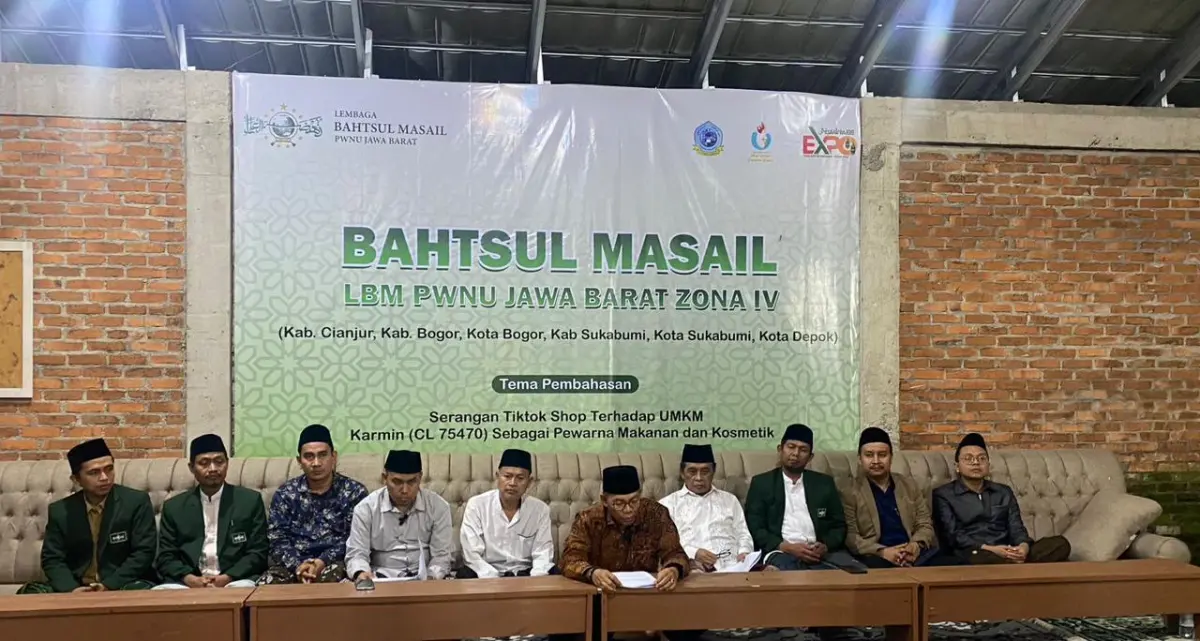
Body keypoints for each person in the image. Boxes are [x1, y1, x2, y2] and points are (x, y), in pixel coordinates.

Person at [560, 465, 696, 641]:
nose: (628, 509)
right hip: (604, 597)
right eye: (619, 503)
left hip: (647, 596)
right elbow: (570, 558)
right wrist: (592, 573)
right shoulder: (588, 519)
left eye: (634, 501)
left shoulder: (656, 514)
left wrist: (673, 569)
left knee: (690, 623)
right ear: (604, 500)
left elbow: (676, 553)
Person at [18, 438, 157, 593]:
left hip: (121, 583)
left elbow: (144, 552)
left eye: (109, 469)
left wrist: (108, 585)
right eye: (94, 473)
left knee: (139, 590)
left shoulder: (136, 502)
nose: (104, 477)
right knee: (29, 592)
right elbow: (52, 559)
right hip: (77, 585)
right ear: (76, 479)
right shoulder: (61, 511)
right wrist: (72, 590)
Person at [932, 433, 1071, 565]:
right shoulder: (943, 494)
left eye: (982, 458)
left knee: (1060, 544)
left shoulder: (1003, 492)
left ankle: (1012, 563)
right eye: (968, 458)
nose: (976, 463)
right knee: (978, 558)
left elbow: (1017, 528)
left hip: (1007, 549)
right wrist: (992, 550)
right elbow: (953, 536)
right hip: (975, 552)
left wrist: (1023, 547)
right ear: (957, 467)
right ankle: (1017, 566)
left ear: (988, 465)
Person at [154, 434, 268, 589]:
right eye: (204, 463)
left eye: (219, 461)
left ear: (227, 463)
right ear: (191, 467)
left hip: (236, 580)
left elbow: (258, 552)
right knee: (160, 593)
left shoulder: (249, 501)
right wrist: (190, 579)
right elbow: (166, 557)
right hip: (187, 582)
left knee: (246, 589)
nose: (213, 469)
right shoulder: (174, 507)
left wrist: (227, 578)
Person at [259, 424, 369, 584]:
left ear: (334, 457)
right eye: (309, 456)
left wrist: (322, 561)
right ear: (299, 461)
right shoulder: (286, 494)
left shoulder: (354, 492)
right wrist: (299, 565)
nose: (316, 463)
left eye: (322, 455)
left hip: (335, 563)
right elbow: (277, 540)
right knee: (266, 585)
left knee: (333, 580)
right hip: (292, 565)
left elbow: (355, 539)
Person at [745, 423, 861, 572]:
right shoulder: (762, 483)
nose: (796, 453)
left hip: (820, 552)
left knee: (857, 573)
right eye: (791, 447)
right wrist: (785, 546)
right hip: (781, 551)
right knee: (794, 573)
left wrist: (825, 546)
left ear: (810, 457)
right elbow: (755, 527)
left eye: (803, 450)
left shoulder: (824, 484)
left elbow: (838, 525)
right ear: (780, 449)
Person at [842, 427, 958, 568]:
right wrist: (883, 552)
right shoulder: (849, 491)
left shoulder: (909, 485)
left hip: (914, 553)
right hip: (876, 556)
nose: (876, 461)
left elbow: (925, 524)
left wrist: (915, 546)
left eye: (882, 455)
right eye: (869, 455)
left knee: (957, 564)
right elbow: (851, 537)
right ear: (860, 459)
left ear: (891, 458)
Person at [347, 449, 453, 581]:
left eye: (412, 482)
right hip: (380, 578)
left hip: (426, 578)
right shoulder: (366, 509)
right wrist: (362, 572)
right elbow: (357, 554)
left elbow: (441, 556)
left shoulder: (438, 507)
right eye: (397, 482)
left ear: (420, 478)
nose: (405, 490)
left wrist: (431, 577)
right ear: (384, 478)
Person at [458, 448, 555, 578]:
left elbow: (543, 554)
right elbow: (472, 554)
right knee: (465, 574)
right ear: (497, 476)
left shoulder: (540, 510)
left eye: (520, 478)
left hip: (525, 573)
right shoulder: (477, 505)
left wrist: (534, 582)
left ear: (529, 482)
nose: (512, 483)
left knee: (553, 572)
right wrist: (495, 580)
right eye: (507, 476)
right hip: (486, 572)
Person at [659, 443, 754, 572]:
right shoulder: (667, 505)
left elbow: (743, 534)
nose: (699, 478)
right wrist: (693, 553)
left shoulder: (729, 500)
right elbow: (663, 544)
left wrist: (744, 552)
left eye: (705, 472)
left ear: (713, 472)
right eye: (692, 471)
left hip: (733, 566)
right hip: (692, 568)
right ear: (682, 473)